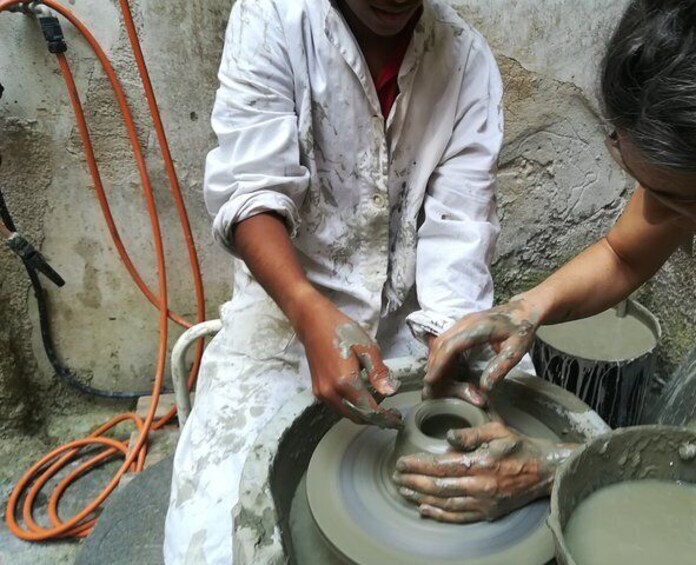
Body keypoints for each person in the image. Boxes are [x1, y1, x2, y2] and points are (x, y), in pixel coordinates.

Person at [393, 0, 696, 524]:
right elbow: (622, 253)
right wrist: (524, 308)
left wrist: (552, 468)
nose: (656, 214)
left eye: (685, 202)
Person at [164, 0, 505, 561]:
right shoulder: (273, 18)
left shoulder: (467, 62)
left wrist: (447, 341)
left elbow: (459, 228)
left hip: (408, 323)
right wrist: (305, 308)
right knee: (219, 543)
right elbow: (251, 193)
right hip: (283, 312)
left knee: (490, 491)